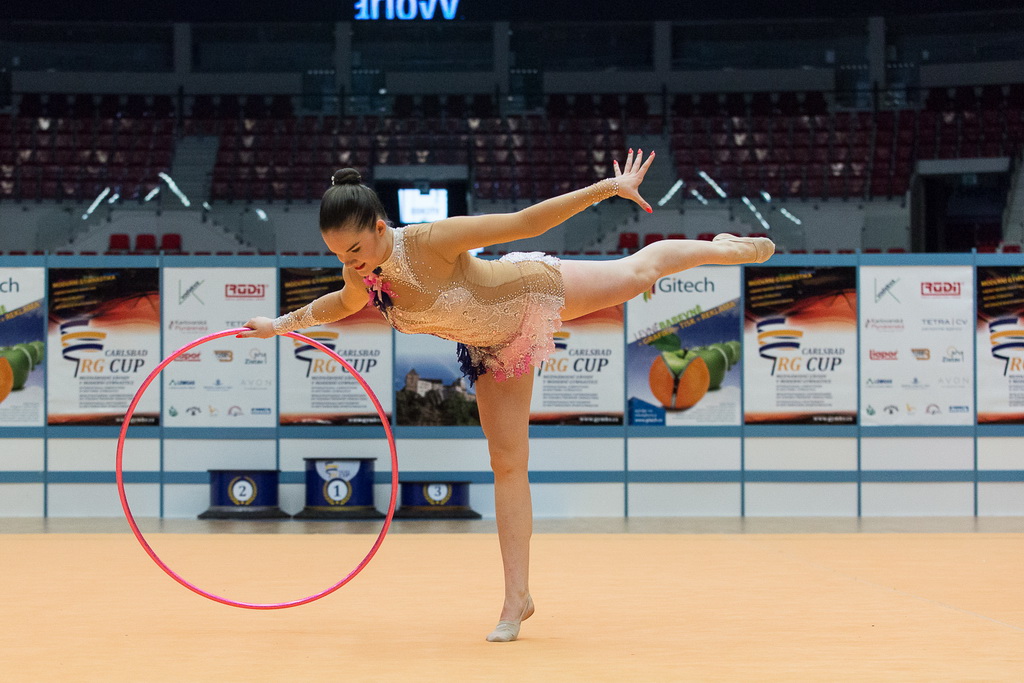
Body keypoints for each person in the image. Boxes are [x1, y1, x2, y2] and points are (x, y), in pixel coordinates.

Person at [240, 149, 774, 642]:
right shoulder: (362, 272)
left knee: (637, 273)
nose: (351, 262)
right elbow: (341, 303)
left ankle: (718, 248)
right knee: (508, 463)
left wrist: (607, 188)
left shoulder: (429, 240)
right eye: (339, 254)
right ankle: (517, 598)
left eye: (355, 249)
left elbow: (525, 222)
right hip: (492, 348)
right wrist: (279, 325)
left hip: (529, 292)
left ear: (380, 227)